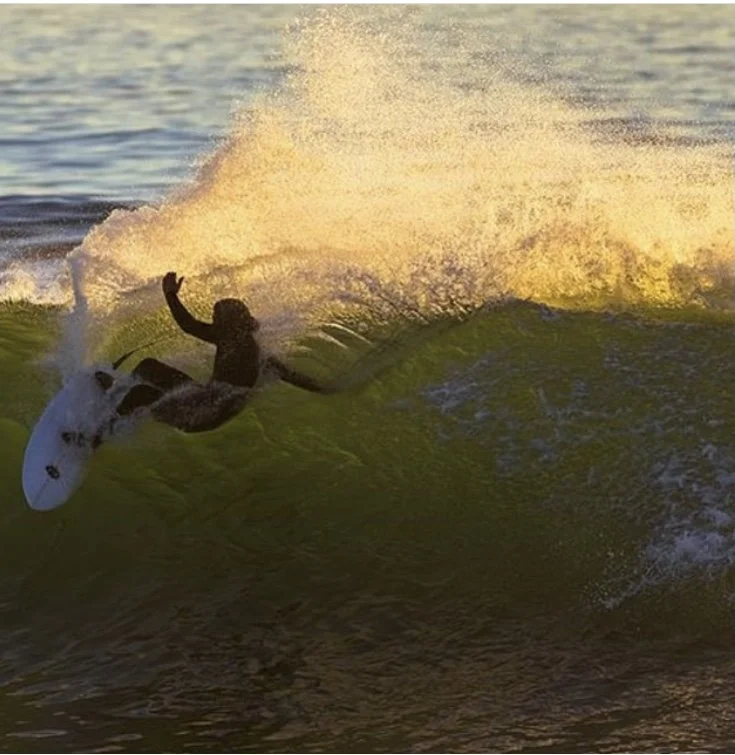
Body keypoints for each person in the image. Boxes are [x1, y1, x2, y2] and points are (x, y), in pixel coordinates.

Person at [108, 272, 332, 433]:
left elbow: (189, 325)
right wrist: (171, 296)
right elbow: (189, 325)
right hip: (202, 397)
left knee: (141, 394)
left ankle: (97, 435)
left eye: (217, 318)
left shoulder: (241, 346)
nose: (213, 322)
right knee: (148, 366)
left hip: (201, 416)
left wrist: (171, 295)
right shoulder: (239, 342)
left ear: (231, 323)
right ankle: (114, 393)